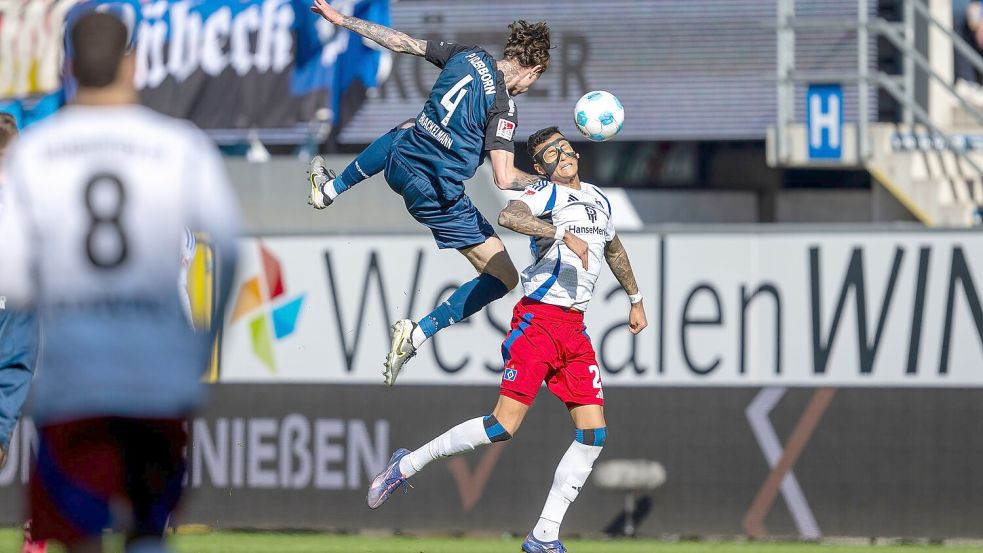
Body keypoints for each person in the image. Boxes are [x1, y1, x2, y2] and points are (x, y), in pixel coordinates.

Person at [0, 11, 240, 553]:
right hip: (155, 379)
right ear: (132, 65)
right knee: (147, 530)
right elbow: (227, 247)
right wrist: (197, 344)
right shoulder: (179, 146)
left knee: (76, 532)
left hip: (74, 384)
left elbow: (14, 274)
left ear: (67, 67)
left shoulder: (35, 154)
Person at [364, 127, 647, 553]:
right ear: (540, 167)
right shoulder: (546, 193)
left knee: (593, 435)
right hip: (538, 321)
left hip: (574, 329)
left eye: (566, 148)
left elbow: (613, 248)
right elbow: (509, 217)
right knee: (502, 427)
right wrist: (558, 234)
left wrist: (636, 298)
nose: (564, 155)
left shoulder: (599, 199)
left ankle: (544, 535)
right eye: (552, 153)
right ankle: (405, 465)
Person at [307, 0, 573, 386]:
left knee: (411, 125)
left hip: (397, 164)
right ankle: (417, 333)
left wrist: (341, 19)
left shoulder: (467, 55)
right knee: (503, 277)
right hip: (436, 196)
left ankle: (330, 189)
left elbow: (399, 42)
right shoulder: (504, 106)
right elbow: (503, 177)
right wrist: (549, 185)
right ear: (533, 71)